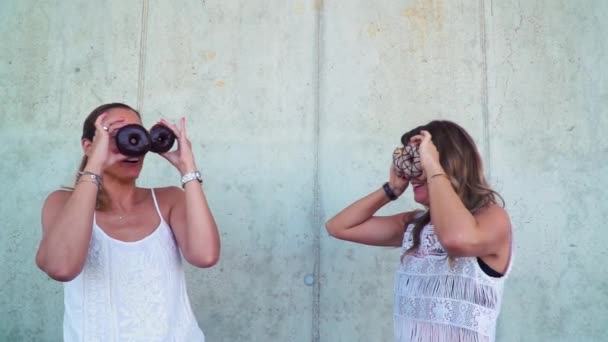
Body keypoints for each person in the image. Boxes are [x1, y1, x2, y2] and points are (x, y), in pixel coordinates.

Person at [35, 103, 220, 341]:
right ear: (89, 146)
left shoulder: (169, 200)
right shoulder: (62, 203)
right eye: (115, 135)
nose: (130, 144)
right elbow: (61, 267)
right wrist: (96, 165)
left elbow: (205, 256)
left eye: (137, 134)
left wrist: (188, 168)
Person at [325, 120, 513, 342]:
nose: (413, 172)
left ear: (447, 162)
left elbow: (456, 239)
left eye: (418, 161)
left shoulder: (491, 218)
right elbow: (338, 227)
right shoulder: (415, 226)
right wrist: (391, 189)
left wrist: (432, 166)